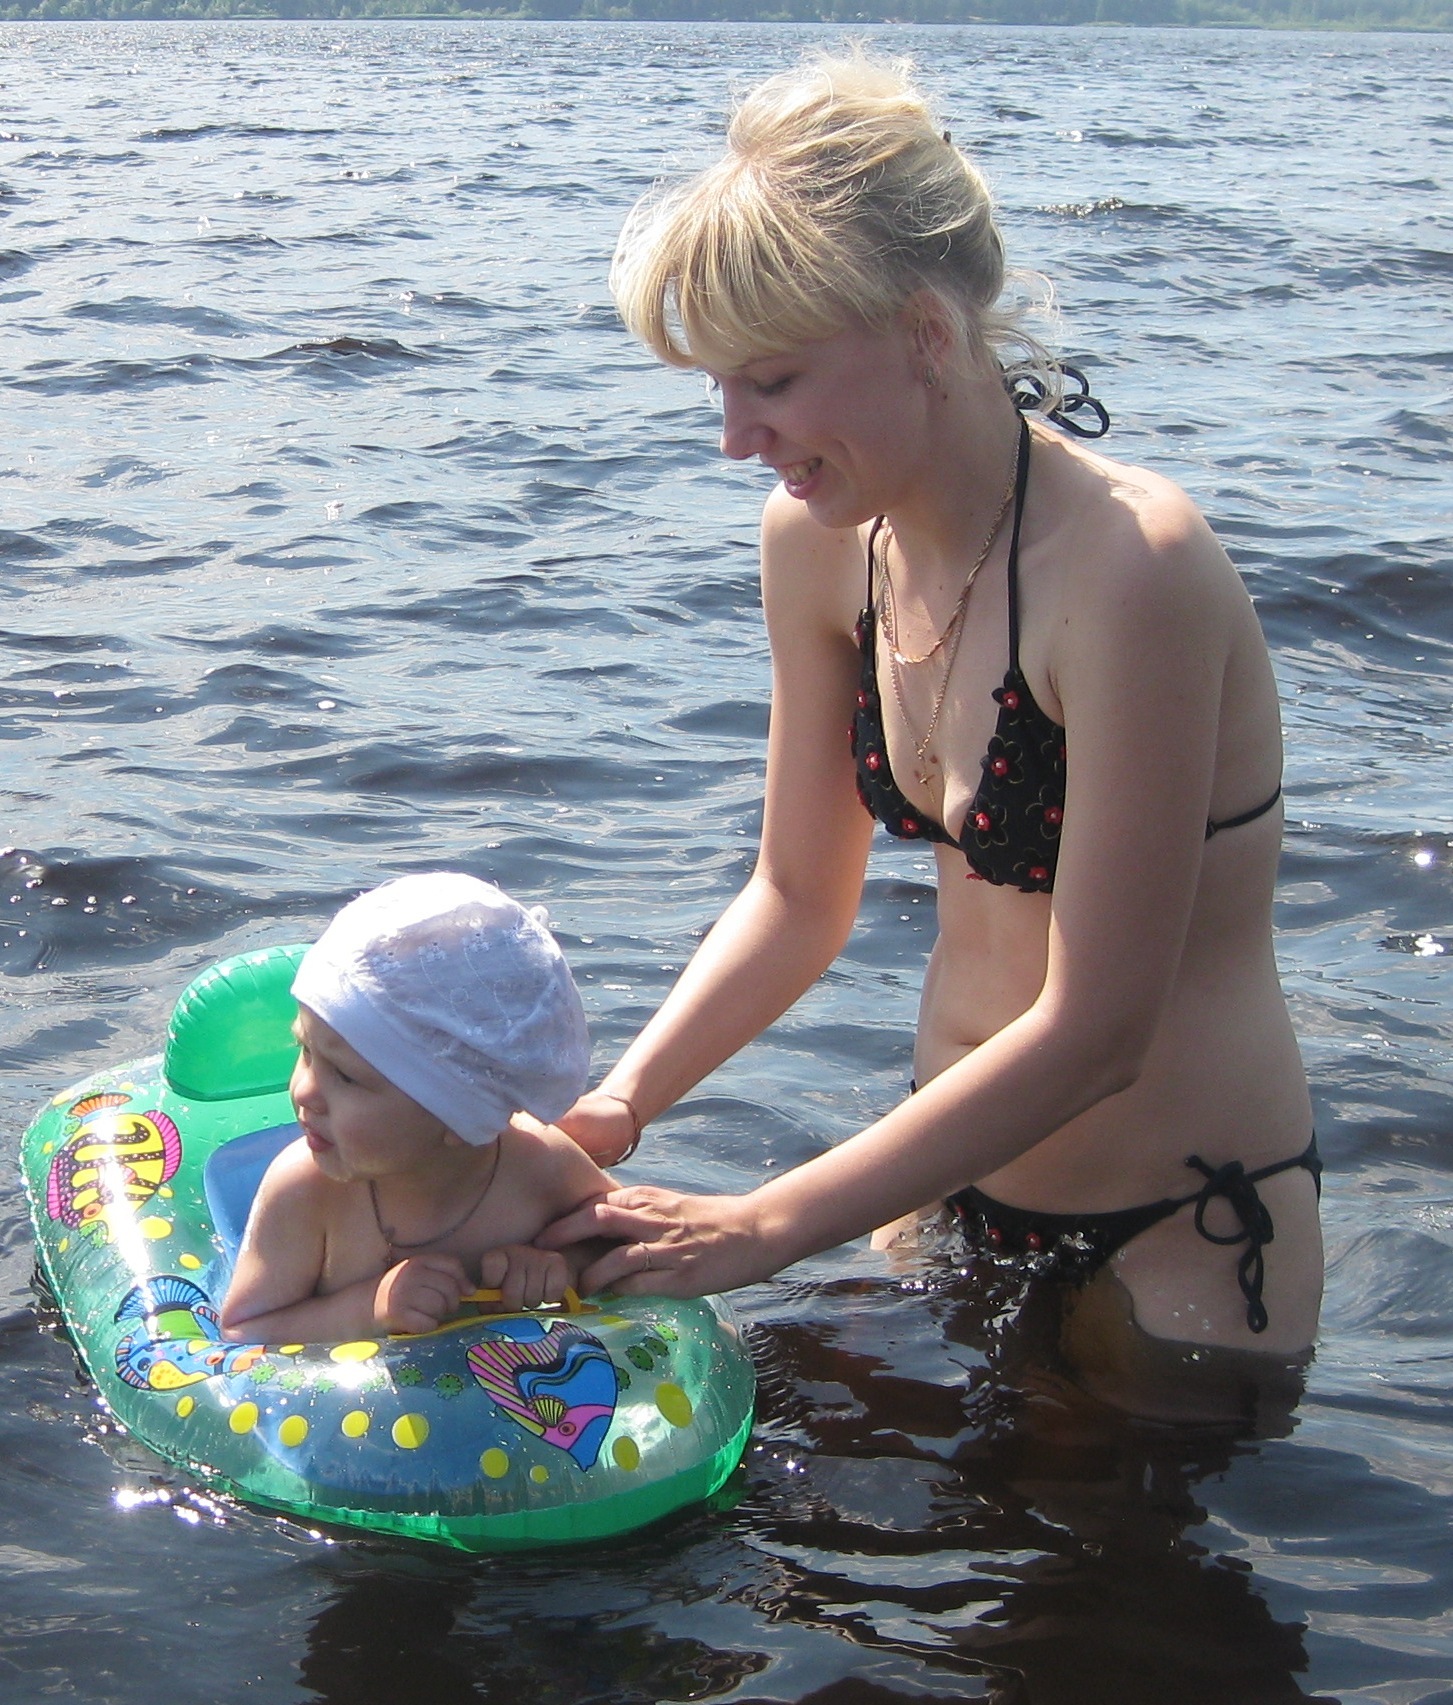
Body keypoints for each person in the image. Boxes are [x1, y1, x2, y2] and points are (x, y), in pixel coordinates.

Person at [541, 50, 1323, 1364]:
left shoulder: (1131, 571)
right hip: (939, 1197)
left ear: (922, 330)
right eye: (716, 387)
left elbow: (1101, 1031)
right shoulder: (816, 544)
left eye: (771, 381)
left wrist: (759, 1227)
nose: (734, 436)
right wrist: (617, 1108)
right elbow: (798, 896)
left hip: (1178, 1232)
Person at [221, 872, 610, 1341]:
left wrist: (561, 1266)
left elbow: (622, 1242)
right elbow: (243, 1330)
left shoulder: (541, 1166)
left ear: (457, 1115)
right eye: (305, 1051)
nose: (304, 1091)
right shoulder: (307, 1190)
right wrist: (368, 1308)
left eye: (346, 1077)